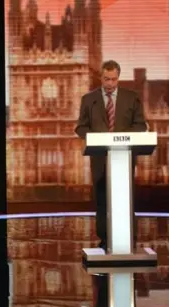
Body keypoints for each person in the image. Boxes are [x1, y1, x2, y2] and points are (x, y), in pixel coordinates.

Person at [75, 60, 147, 249]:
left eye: (113, 79)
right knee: (101, 197)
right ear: (101, 77)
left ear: (118, 78)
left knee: (126, 195)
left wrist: (120, 137)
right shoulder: (89, 99)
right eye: (106, 79)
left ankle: (129, 237)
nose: (110, 84)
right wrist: (96, 138)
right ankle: (104, 238)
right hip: (99, 157)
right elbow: (80, 127)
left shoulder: (132, 98)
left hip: (124, 156)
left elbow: (140, 125)